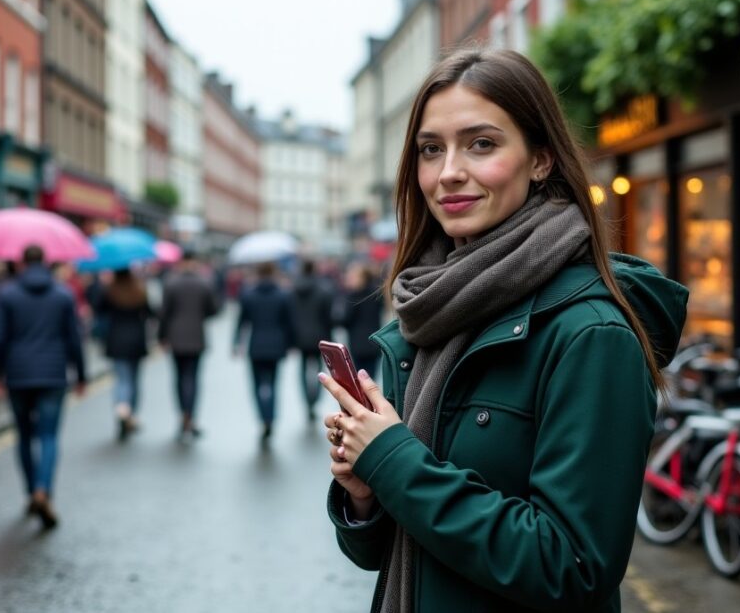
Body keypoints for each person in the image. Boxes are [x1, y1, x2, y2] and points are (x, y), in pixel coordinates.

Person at [319, 48, 688, 612]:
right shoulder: (431, 311)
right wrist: (365, 494)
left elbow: (574, 566)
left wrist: (393, 458)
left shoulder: (590, 334)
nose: (448, 173)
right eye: (431, 149)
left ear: (540, 160)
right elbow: (385, 553)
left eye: (482, 144)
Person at [0, 245, 87, 529]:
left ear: (21, 264)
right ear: (46, 263)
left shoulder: (7, 294)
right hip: (54, 374)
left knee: (23, 437)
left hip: (18, 375)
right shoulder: (63, 294)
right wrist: (81, 375)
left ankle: (31, 491)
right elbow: (74, 338)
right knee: (48, 437)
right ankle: (44, 490)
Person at [158, 251, 220, 442]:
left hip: (176, 338)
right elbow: (213, 310)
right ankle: (190, 417)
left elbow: (164, 313)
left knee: (178, 378)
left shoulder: (171, 283)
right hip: (196, 338)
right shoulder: (204, 283)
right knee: (192, 379)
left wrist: (161, 336)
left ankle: (182, 416)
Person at [233, 262, 295, 445]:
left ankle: (263, 418)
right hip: (276, 345)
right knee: (273, 384)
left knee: (257, 385)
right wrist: (291, 343)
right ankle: (271, 418)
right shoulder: (283, 295)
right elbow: (288, 322)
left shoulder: (248, 294)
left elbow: (242, 321)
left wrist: (236, 342)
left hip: (256, 345)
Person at [93, 268, 152, 440]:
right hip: (136, 339)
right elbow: (149, 313)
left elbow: (99, 310)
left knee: (121, 378)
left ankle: (122, 408)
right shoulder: (140, 290)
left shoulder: (109, 291)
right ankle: (130, 412)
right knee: (133, 379)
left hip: (116, 339)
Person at [289, 259, 335, 421]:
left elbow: (290, 314)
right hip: (319, 336)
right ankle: (314, 399)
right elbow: (329, 317)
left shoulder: (293, 289)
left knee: (302, 370)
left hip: (300, 337)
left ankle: (307, 401)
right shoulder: (323, 290)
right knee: (319, 371)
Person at [337, 262, 384, 377]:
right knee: (371, 376)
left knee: (359, 377)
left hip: (357, 343)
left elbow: (345, 319)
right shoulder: (377, 294)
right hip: (374, 341)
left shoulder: (353, 297)